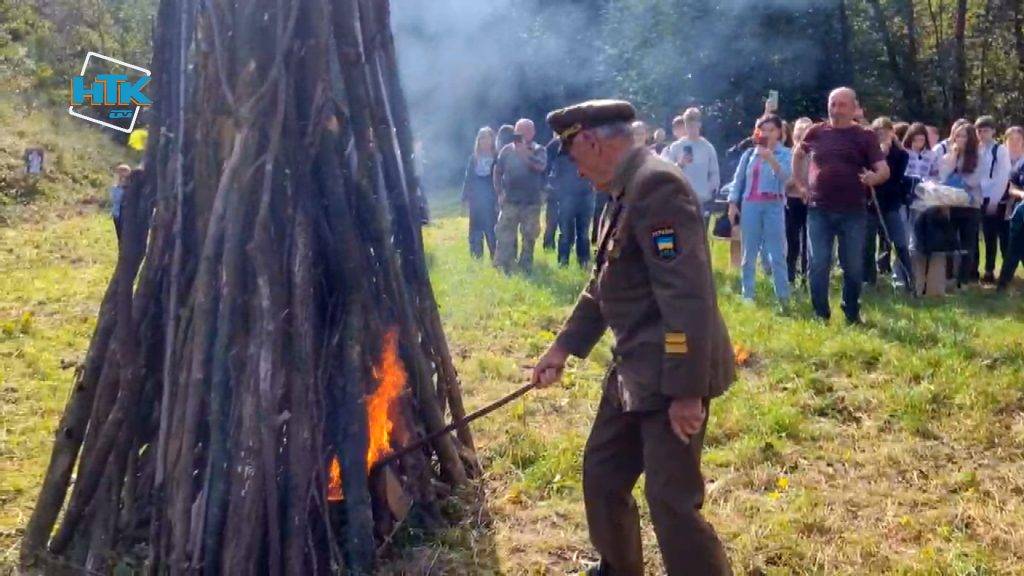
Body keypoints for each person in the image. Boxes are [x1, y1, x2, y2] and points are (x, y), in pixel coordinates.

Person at [534, 99, 734, 576]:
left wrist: (687, 390)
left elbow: (687, 295)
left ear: (591, 142)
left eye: (574, 156)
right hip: (632, 369)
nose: (576, 171)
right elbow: (604, 281)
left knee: (671, 500)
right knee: (602, 475)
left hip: (670, 373)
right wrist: (563, 346)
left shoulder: (656, 187)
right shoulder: (624, 192)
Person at [792, 87, 889, 324]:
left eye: (842, 104)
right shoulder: (815, 132)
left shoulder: (865, 136)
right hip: (819, 209)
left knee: (853, 266)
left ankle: (852, 312)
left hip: (853, 211)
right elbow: (798, 154)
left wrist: (873, 179)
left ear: (854, 107)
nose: (836, 109)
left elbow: (884, 170)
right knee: (818, 263)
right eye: (832, 104)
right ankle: (820, 314)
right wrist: (801, 185)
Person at [727, 114, 793, 306]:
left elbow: (787, 179)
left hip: (774, 204)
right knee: (749, 251)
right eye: (763, 130)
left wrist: (771, 159)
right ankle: (748, 294)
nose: (766, 134)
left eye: (771, 130)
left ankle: (783, 297)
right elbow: (738, 180)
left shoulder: (786, 154)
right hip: (750, 205)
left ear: (780, 132)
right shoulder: (749, 154)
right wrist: (732, 203)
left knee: (777, 253)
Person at [864, 117, 913, 291]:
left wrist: (885, 155)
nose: (882, 135)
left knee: (899, 242)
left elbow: (893, 178)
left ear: (892, 133)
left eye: (885, 132)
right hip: (871, 203)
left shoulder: (901, 154)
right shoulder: (868, 153)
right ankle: (869, 280)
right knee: (868, 242)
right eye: (878, 132)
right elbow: (865, 173)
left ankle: (909, 282)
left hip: (891, 203)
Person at [493, 119, 548, 274]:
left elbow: (540, 167)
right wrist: (499, 192)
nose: (522, 134)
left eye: (526, 131)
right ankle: (504, 265)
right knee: (504, 233)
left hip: (531, 202)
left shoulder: (539, 150)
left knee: (529, 235)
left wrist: (524, 153)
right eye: (519, 131)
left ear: (533, 132)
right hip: (510, 200)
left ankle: (525, 265)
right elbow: (497, 172)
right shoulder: (506, 150)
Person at [937, 122, 983, 286]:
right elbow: (943, 177)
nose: (960, 139)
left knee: (967, 242)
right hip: (951, 205)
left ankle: (963, 279)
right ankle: (949, 277)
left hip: (971, 205)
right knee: (949, 241)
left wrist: (958, 182)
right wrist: (953, 157)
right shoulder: (947, 156)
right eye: (957, 135)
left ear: (970, 138)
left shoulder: (979, 157)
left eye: (963, 136)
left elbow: (975, 180)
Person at [661, 107, 721, 223]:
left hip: (702, 201)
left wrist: (707, 190)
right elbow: (668, 174)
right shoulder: (676, 147)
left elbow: (714, 174)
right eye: (688, 126)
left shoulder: (708, 148)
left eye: (694, 125)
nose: (691, 129)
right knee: (682, 237)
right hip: (680, 200)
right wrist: (680, 163)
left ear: (699, 125)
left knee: (700, 237)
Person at [975, 116, 1012, 283]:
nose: (982, 134)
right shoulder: (976, 149)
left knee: (1001, 237)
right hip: (979, 198)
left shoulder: (1000, 150)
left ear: (993, 131)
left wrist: (994, 201)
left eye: (986, 130)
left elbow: (1002, 177)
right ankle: (986, 270)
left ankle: (1001, 271)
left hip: (995, 199)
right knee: (986, 237)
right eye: (979, 131)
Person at [547, 145, 595, 267]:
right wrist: (558, 190)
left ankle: (584, 261)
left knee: (583, 232)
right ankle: (563, 261)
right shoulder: (559, 148)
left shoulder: (589, 145)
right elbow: (552, 173)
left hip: (586, 194)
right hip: (566, 196)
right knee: (565, 232)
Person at [461, 127, 499, 260]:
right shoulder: (473, 159)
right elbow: (468, 179)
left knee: (491, 228)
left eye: (487, 138)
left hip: (491, 200)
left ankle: (495, 257)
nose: (485, 141)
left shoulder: (497, 157)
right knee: (476, 230)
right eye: (482, 138)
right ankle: (476, 258)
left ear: (492, 140)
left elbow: (500, 178)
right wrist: (465, 198)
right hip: (476, 200)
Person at [785, 117, 814, 285]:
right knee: (792, 241)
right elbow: (785, 181)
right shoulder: (789, 154)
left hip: (811, 201)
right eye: (800, 131)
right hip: (792, 200)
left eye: (807, 131)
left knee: (808, 243)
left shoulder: (815, 154)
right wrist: (796, 181)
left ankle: (806, 278)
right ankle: (790, 277)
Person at [997, 131, 1024, 290]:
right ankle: (1003, 284)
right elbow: (1011, 189)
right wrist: (1021, 193)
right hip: (1021, 212)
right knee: (1014, 248)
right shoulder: (1020, 165)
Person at [543, 137, 562, 251]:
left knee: (566, 223)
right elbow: (545, 165)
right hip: (554, 188)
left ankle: (565, 247)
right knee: (551, 221)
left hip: (569, 190)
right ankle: (548, 246)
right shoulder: (554, 145)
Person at [110, 164, 132, 240]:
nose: (123, 177)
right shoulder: (115, 188)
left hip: (128, 216)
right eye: (121, 175)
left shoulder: (132, 188)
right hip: (117, 215)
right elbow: (115, 199)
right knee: (120, 236)